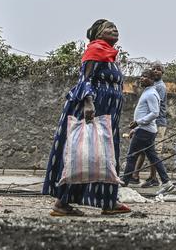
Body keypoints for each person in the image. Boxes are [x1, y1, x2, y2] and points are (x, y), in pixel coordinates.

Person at [42, 19, 130, 216]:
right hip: (93, 110)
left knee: (103, 156)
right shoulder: (96, 49)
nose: (114, 30)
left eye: (116, 27)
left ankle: (108, 201)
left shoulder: (110, 55)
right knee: (83, 154)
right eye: (109, 27)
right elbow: (85, 79)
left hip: (108, 114)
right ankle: (61, 203)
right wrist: (88, 103)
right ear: (98, 33)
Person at [121, 69, 174, 194]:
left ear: (151, 79)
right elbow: (145, 112)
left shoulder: (151, 94)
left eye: (145, 76)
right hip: (144, 130)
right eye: (141, 76)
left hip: (145, 131)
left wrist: (138, 123)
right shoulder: (147, 92)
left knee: (131, 156)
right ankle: (166, 182)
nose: (141, 78)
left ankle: (125, 182)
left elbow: (155, 113)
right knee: (152, 157)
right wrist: (136, 128)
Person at [133, 61, 168, 188]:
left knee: (153, 151)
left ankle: (154, 178)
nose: (155, 71)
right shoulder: (151, 87)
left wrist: (140, 122)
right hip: (151, 122)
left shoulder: (159, 87)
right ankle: (135, 175)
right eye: (153, 69)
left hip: (157, 122)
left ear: (162, 72)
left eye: (158, 69)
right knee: (145, 150)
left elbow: (155, 110)